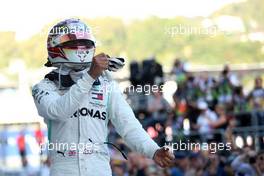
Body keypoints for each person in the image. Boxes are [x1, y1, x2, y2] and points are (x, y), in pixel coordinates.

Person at [32, 18, 174, 176]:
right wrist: (90, 76)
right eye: (74, 44)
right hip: (64, 169)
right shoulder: (44, 87)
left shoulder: (106, 86)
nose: (81, 48)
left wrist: (153, 150)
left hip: (99, 169)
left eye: (85, 43)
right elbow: (58, 111)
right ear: (56, 46)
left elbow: (128, 125)